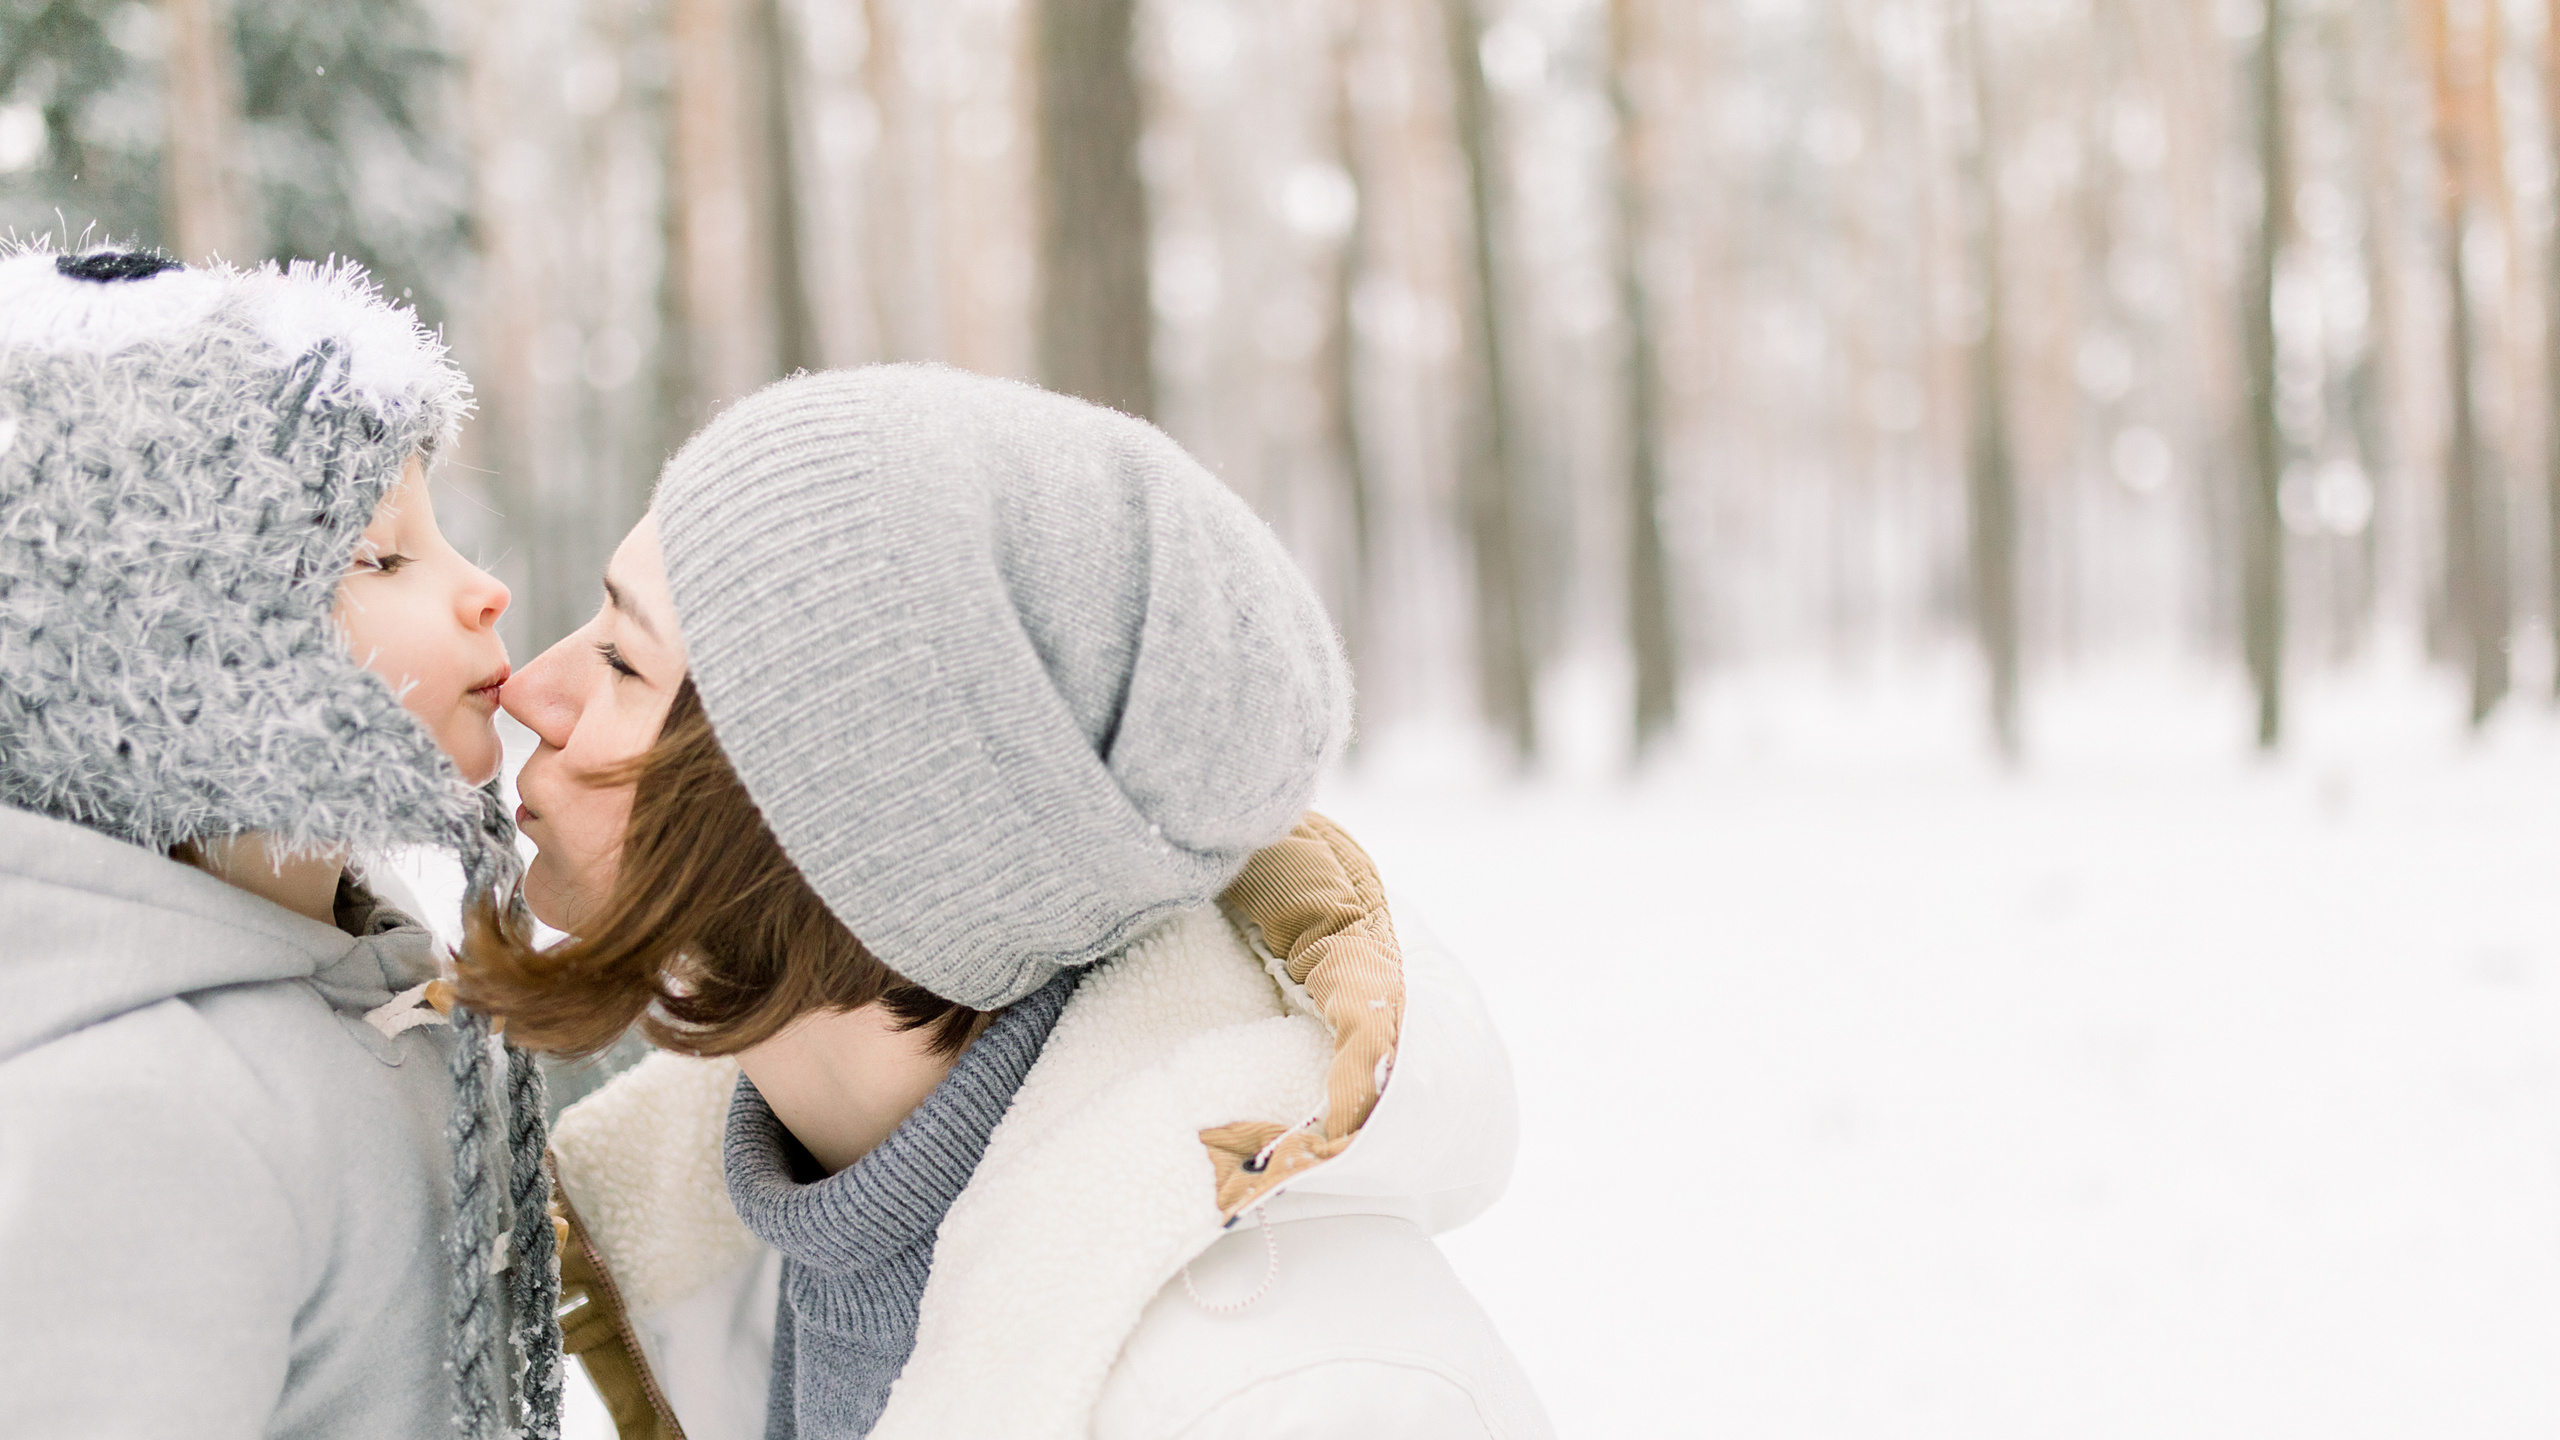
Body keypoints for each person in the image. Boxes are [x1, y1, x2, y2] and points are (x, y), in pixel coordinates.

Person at [462, 365, 1551, 1439]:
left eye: (620, 658)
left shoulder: (1285, 1402)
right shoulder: (737, 1247)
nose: (529, 689)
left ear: (850, 823)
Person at [0, 245, 563, 1439]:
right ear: (169, 656)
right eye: (381, 555)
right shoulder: (141, 1112)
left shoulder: (365, 980)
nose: (484, 591)